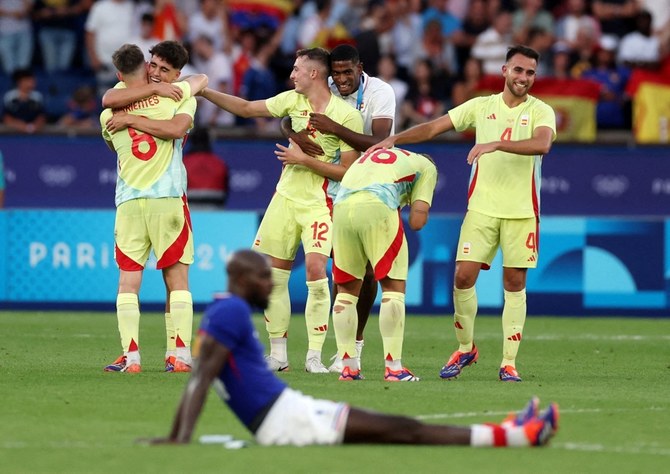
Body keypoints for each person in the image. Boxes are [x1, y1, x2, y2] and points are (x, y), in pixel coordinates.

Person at [140, 249, 559, 447]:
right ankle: (518, 436)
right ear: (244, 280)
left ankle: (508, 431)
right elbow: (201, 378)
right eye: (264, 279)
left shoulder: (220, 310)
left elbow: (201, 378)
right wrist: (178, 440)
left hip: (289, 412)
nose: (271, 286)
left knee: (400, 427)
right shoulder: (231, 313)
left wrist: (176, 436)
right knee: (403, 431)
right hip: (288, 423)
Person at [368, 45, 556, 383]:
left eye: (530, 72)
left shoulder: (541, 111)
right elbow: (433, 127)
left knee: (514, 283)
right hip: (481, 210)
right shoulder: (481, 106)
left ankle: (508, 363)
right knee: (462, 278)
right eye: (518, 70)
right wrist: (394, 140)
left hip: (522, 212)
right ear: (504, 71)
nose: (524, 78)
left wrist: (495, 143)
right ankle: (465, 347)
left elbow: (542, 144)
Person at [199, 47, 364, 374]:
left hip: (320, 203)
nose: (292, 75)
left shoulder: (346, 116)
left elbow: (350, 171)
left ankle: (314, 355)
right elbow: (246, 108)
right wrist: (204, 92)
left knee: (317, 272)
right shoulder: (293, 101)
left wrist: (305, 160)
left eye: (297, 69)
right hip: (285, 198)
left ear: (314, 74)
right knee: (272, 277)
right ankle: (278, 355)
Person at [280, 44, 396, 373]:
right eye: (337, 73)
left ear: (361, 68)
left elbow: (380, 140)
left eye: (348, 72)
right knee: (342, 268)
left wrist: (335, 129)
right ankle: (342, 349)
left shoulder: (380, 92)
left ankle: (355, 344)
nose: (342, 79)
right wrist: (293, 134)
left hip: (373, 186)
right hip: (333, 186)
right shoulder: (323, 89)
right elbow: (286, 114)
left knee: (371, 271)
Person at [100, 42, 208, 374]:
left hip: (130, 202)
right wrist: (166, 91)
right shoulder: (177, 96)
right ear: (146, 66)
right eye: (154, 67)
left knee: (128, 283)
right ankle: (180, 355)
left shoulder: (110, 114)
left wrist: (132, 116)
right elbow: (179, 125)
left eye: (164, 69)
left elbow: (110, 122)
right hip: (168, 198)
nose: (157, 73)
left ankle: (130, 357)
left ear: (120, 73)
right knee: (177, 280)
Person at [331, 148, 438, 382]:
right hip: (377, 205)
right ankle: (394, 368)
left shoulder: (381, 157)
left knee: (347, 291)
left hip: (340, 208)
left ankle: (348, 367)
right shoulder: (427, 167)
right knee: (393, 288)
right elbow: (418, 221)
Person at [182, 126, 229, 209]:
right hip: (215, 209)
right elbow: (225, 191)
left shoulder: (183, 163)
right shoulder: (220, 164)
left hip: (188, 208)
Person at [1, 69, 47, 135]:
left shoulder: (37, 96)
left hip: (34, 131)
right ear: (20, 82)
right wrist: (23, 127)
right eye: (29, 80)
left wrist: (33, 127)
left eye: (33, 80)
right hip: (12, 131)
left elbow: (42, 116)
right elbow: (6, 118)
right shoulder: (10, 96)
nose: (33, 82)